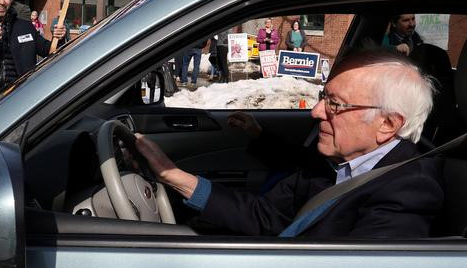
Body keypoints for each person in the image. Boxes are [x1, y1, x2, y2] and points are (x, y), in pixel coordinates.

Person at [135, 48, 443, 239]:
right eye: (323, 97)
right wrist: (174, 176)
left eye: (335, 104)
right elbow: (265, 216)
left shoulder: (409, 191)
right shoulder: (332, 161)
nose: (316, 112)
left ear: (387, 124)